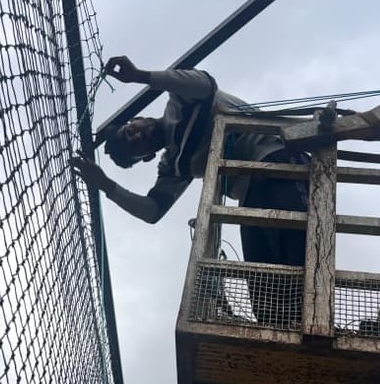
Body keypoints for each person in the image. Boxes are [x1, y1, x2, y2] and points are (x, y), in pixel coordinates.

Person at [70, 56, 308, 325]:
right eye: (134, 147)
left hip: (279, 160)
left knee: (295, 247)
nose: (137, 137)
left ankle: (311, 320)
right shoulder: (176, 165)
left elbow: (205, 84)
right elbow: (153, 210)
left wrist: (140, 76)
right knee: (263, 282)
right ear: (146, 157)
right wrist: (107, 187)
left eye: (129, 132)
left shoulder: (179, 102)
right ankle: (281, 330)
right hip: (253, 194)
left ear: (138, 118)